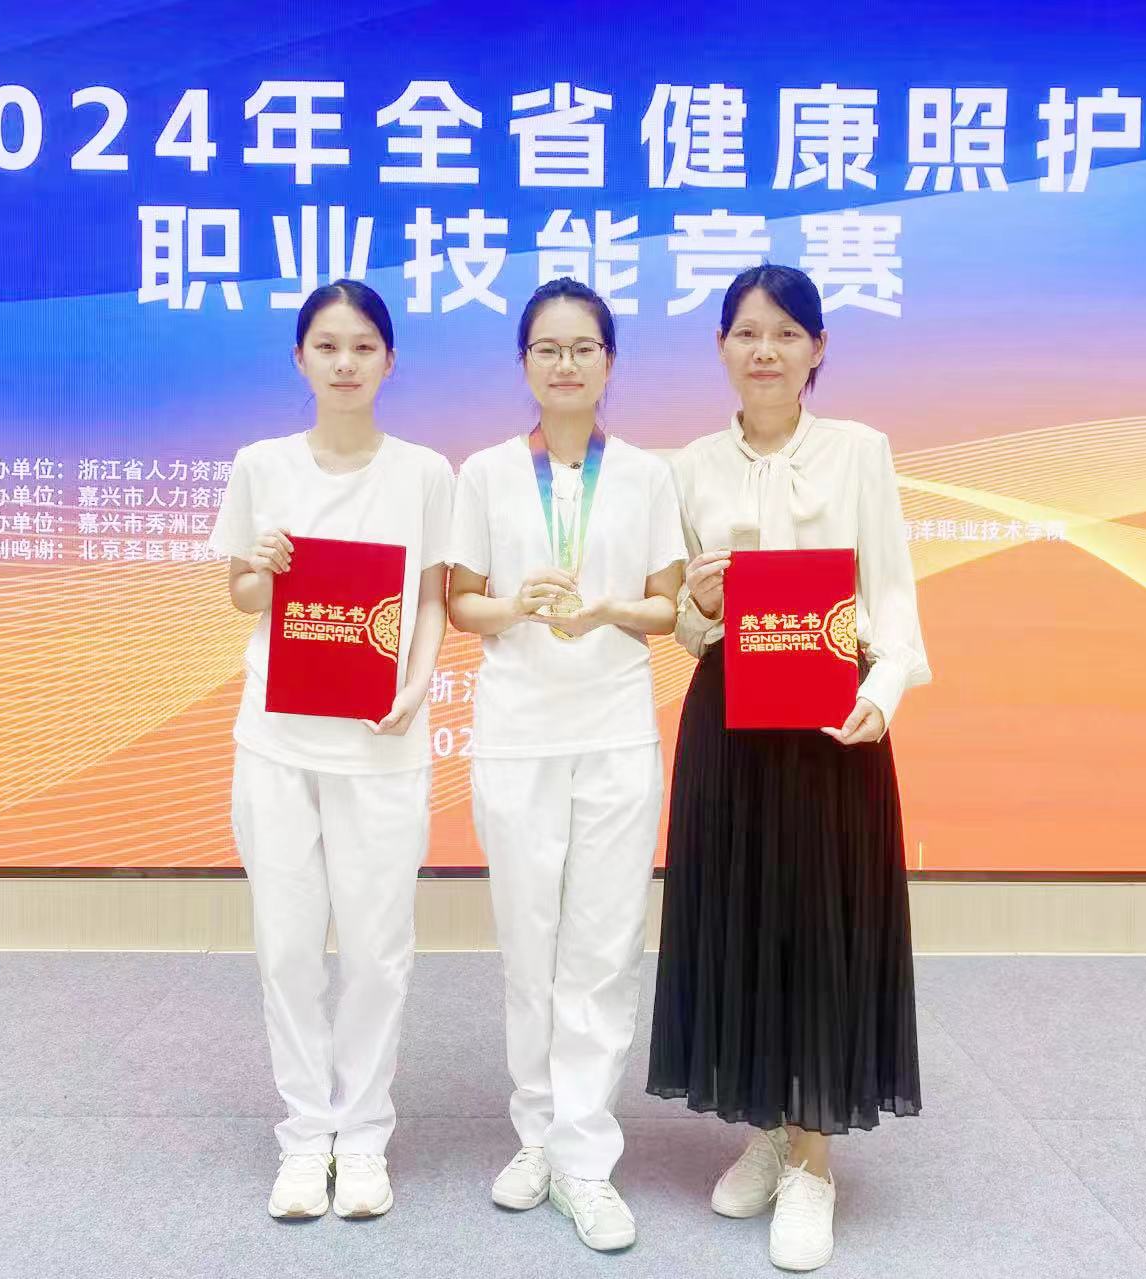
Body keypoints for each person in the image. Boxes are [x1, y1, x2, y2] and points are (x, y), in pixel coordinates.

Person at [647, 264, 931, 1272]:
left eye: (784, 332)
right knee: (744, 919)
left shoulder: (858, 451)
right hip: (730, 721)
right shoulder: (687, 466)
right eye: (744, 332)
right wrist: (703, 604)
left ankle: (814, 1161)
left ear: (817, 348)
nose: (763, 350)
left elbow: (890, 593)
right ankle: (768, 1128)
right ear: (720, 347)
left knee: (818, 926)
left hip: (827, 724)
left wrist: (882, 690)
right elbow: (686, 627)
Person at [447, 278, 686, 1252]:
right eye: (547, 348)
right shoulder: (484, 474)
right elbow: (461, 601)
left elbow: (666, 604)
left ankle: (584, 1153)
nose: (566, 363)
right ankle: (536, 1135)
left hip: (615, 728)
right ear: (524, 363)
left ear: (609, 362)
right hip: (515, 731)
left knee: (601, 944)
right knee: (528, 941)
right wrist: (516, 604)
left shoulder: (647, 476)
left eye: (584, 347)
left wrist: (607, 609)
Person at [207, 280, 453, 1223]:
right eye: (326, 346)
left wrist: (416, 685)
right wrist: (263, 570)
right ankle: (306, 1136)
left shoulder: (424, 472)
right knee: (288, 948)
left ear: (390, 360)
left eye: (362, 346)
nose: (345, 362)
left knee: (379, 952)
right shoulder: (261, 464)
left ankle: (366, 1133)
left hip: (380, 743)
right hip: (277, 743)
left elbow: (429, 598)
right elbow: (241, 594)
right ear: (300, 358)